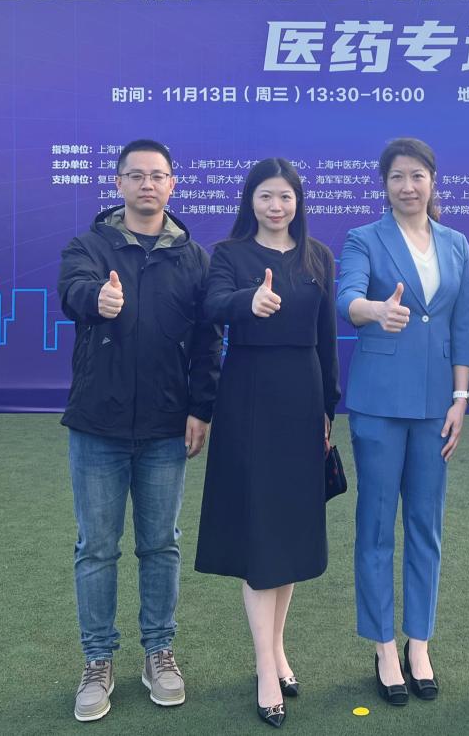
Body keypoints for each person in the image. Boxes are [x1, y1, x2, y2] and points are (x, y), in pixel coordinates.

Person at [57, 138, 222, 722]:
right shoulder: (89, 245)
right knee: (97, 548)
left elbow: (208, 341)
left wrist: (201, 408)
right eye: (136, 175)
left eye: (157, 175)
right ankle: (97, 660)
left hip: (164, 425)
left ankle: (159, 652)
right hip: (97, 423)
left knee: (160, 544)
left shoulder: (195, 258)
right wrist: (95, 298)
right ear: (119, 183)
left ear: (172, 184)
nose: (147, 184)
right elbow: (70, 291)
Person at [194, 158, 340, 728]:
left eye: (285, 197)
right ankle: (263, 669)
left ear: (297, 202)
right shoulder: (230, 255)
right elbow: (211, 307)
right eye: (265, 196)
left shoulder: (317, 257)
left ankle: (278, 651)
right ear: (249, 201)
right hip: (249, 398)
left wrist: (327, 409)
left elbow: (326, 339)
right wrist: (247, 303)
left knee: (288, 534)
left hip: (303, 398)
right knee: (260, 534)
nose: (276, 206)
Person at [337, 137, 469, 706]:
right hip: (378, 403)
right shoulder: (363, 238)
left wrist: (461, 397)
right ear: (385, 184)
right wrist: (374, 310)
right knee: (375, 526)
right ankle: (384, 647)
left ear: (433, 180)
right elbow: (347, 297)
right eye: (397, 176)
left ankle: (420, 643)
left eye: (417, 175)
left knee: (426, 525)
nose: (408, 186)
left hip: (437, 405)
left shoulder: (456, 243)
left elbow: (462, 324)